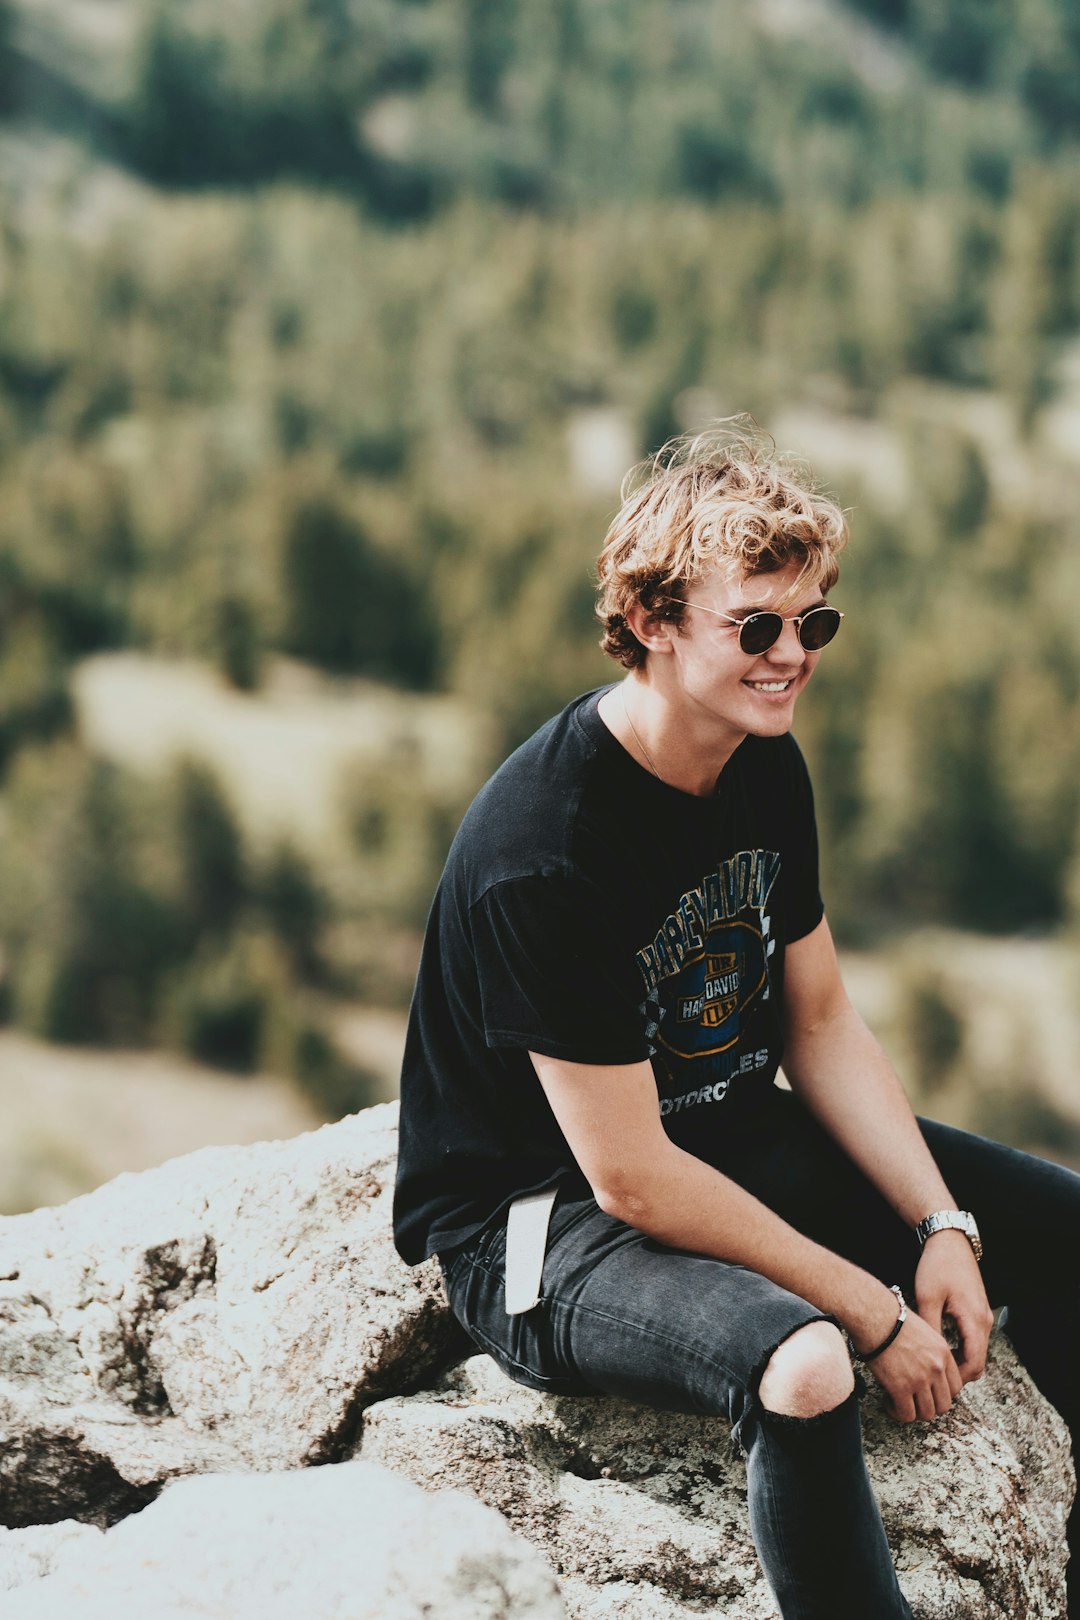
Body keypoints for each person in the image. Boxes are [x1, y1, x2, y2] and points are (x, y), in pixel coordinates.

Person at [392, 425, 1079, 1619]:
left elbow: (819, 1023)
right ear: (653, 622)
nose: (790, 656)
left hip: (715, 1135)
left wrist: (942, 1227)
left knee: (1065, 1226)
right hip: (543, 1224)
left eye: (813, 623)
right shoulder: (544, 850)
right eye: (754, 626)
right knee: (805, 1365)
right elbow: (634, 1180)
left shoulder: (762, 762)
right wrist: (871, 1313)